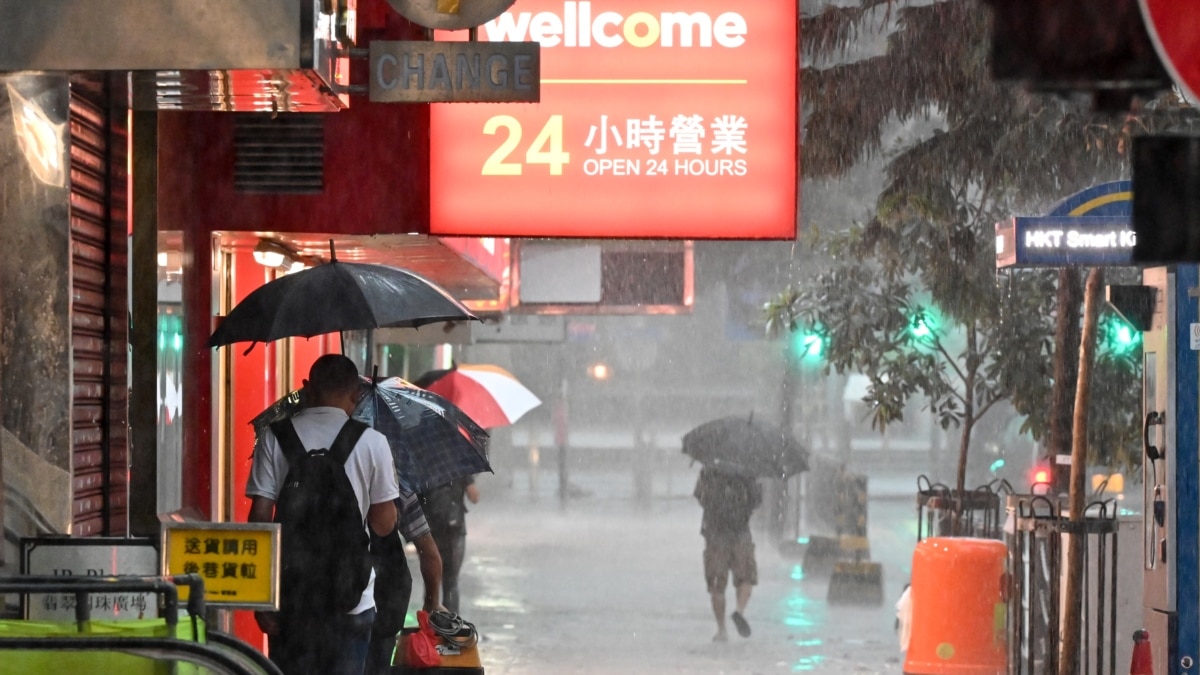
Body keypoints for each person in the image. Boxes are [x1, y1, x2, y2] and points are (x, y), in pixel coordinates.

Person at [246, 354, 399, 675]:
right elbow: (383, 526)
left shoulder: (274, 436)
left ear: (305, 388)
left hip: (291, 597)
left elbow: (259, 520)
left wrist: (261, 598)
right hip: (352, 598)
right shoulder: (374, 442)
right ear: (356, 393)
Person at [365, 491, 445, 675]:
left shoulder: (321, 482)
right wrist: (431, 603)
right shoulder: (399, 489)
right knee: (378, 663)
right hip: (386, 597)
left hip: (334, 598)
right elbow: (430, 554)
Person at [694, 467, 762, 642]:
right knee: (746, 577)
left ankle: (722, 629)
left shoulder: (710, 469)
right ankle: (739, 610)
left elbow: (700, 496)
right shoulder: (747, 469)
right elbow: (757, 500)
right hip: (740, 531)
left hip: (715, 532)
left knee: (717, 584)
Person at [419, 476, 480, 614]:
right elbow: (474, 496)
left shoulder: (422, 462)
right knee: (451, 583)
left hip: (428, 531)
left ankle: (429, 627)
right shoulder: (456, 461)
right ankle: (450, 628)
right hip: (454, 528)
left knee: (430, 585)